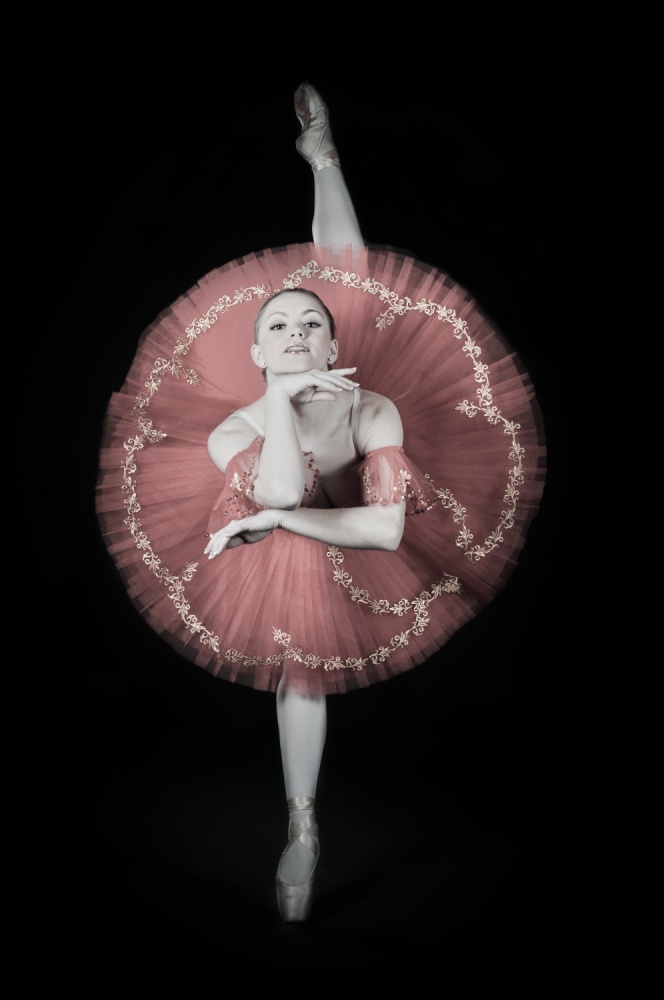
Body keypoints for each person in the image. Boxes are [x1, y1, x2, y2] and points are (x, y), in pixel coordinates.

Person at [96, 82, 546, 923]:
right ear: (258, 356)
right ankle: (302, 823)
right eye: (278, 329)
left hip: (347, 515)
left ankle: (324, 159)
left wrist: (276, 517)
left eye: (311, 326)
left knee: (349, 279)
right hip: (286, 519)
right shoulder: (234, 429)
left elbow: (385, 529)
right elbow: (274, 487)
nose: (298, 333)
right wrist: (278, 420)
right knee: (297, 669)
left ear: (332, 345)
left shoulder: (375, 407)